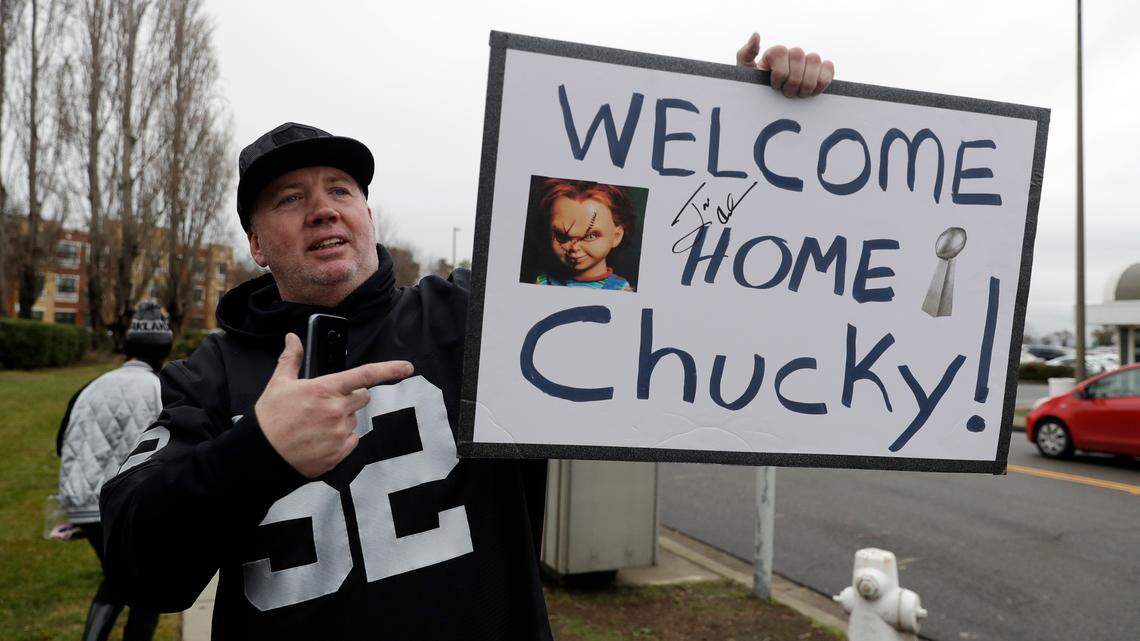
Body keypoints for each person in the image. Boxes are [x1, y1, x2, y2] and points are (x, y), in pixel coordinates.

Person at [99, 34, 834, 640]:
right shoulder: (206, 377)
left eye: (341, 191)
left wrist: (743, 119)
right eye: (290, 199)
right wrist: (257, 451)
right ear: (258, 244)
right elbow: (136, 562)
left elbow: (657, 253)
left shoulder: (471, 315)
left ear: (368, 216)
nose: (323, 210)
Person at [57, 301, 172, 641]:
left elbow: (61, 443)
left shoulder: (92, 386)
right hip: (130, 505)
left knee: (120, 578)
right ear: (164, 350)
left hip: (83, 501)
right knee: (148, 582)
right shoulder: (162, 388)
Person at [533, 179, 637, 291]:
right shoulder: (544, 282)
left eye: (590, 236)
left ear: (616, 236)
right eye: (562, 236)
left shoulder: (621, 289)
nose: (574, 248)